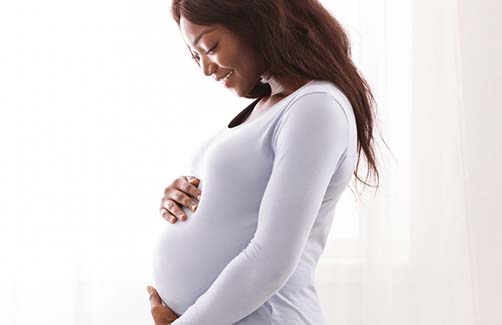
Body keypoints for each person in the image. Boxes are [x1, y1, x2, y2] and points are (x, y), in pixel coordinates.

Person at [145, 0, 381, 324]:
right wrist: (185, 199)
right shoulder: (269, 106)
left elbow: (270, 261)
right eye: (195, 56)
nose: (205, 69)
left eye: (210, 46)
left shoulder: (316, 107)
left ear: (254, 19)